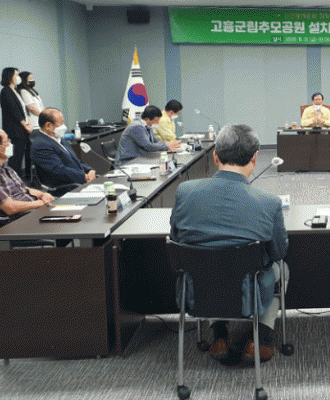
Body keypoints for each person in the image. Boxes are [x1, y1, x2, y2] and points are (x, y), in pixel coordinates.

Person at [170, 124, 289, 365]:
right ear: (255, 158)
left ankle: (219, 335)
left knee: (206, 269)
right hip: (248, 294)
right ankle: (262, 339)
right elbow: (278, 252)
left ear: (215, 157)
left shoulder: (185, 192)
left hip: (197, 294)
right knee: (282, 270)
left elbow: (176, 237)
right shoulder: (269, 202)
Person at [0, 126, 54, 219]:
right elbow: (10, 208)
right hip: (19, 221)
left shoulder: (4, 168)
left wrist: (43, 195)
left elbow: (24, 189)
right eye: (7, 140)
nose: (10, 144)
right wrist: (42, 203)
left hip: (33, 213)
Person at [30, 108, 96, 195]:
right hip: (65, 188)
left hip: (78, 183)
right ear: (48, 126)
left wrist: (89, 170)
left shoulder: (58, 138)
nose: (64, 126)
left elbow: (75, 160)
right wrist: (83, 176)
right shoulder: (41, 145)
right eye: (61, 123)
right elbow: (58, 170)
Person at [116, 105, 181, 164]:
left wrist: (166, 145)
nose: (158, 123)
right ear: (147, 119)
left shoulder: (147, 125)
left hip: (139, 158)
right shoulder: (137, 127)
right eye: (156, 121)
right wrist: (166, 146)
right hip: (128, 161)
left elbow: (155, 140)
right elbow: (149, 146)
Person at [0, 67, 32, 180]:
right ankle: (13, 182)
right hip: (14, 130)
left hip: (23, 129)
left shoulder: (16, 91)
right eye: (16, 75)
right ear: (10, 77)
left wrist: (29, 123)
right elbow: (14, 111)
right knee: (15, 159)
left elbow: (24, 109)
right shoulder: (5, 91)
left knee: (22, 155)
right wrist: (25, 126)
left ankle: (21, 180)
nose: (18, 77)